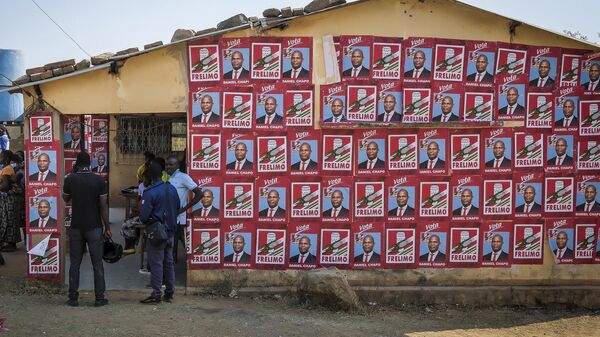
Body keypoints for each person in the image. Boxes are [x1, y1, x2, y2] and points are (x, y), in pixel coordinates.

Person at [62, 151, 110, 307]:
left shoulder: (70, 179)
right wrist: (107, 227)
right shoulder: (99, 180)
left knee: (75, 262)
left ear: (77, 163)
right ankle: (99, 298)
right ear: (90, 163)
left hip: (76, 226)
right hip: (94, 227)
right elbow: (103, 206)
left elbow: (65, 198)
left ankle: (73, 298)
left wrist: (72, 176)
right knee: (97, 264)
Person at [138, 159, 179, 304]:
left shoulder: (149, 192)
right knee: (169, 262)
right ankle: (169, 293)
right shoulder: (172, 188)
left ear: (149, 177)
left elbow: (143, 216)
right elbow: (177, 207)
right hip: (171, 232)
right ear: (161, 174)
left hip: (156, 233)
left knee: (156, 264)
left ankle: (156, 294)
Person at [166, 155, 201, 263]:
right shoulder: (168, 177)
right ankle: (172, 264)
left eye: (170, 164)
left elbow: (199, 193)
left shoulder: (183, 177)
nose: (167, 167)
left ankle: (172, 267)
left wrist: (184, 208)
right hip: (168, 216)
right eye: (167, 164)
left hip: (178, 217)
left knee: (175, 242)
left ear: (177, 166)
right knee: (172, 243)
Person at [0, 150, 20, 252]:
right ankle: (10, 243)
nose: (0, 158)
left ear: (6, 159)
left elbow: (5, 186)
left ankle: (10, 244)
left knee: (9, 220)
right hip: (9, 198)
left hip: (9, 198)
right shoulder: (7, 168)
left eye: (1, 157)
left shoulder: (7, 169)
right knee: (10, 220)